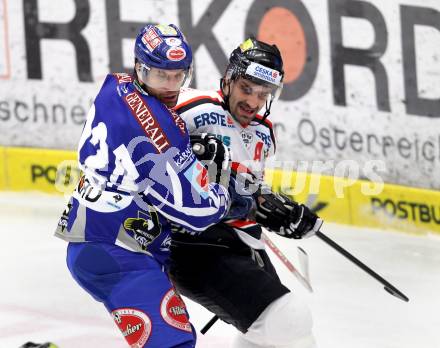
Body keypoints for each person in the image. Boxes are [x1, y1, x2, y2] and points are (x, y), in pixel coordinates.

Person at [54, 24, 247, 348]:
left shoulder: (116, 85)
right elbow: (195, 212)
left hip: (107, 239)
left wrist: (191, 157)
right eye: (160, 75)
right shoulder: (159, 131)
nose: (171, 85)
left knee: (171, 338)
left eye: (178, 75)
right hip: (114, 250)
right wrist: (226, 198)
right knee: (174, 344)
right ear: (140, 67)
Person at [168, 38, 323, 348]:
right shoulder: (188, 107)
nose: (253, 102)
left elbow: (249, 189)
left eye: (264, 94)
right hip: (192, 244)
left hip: (240, 241)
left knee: (271, 335)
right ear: (228, 80)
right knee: (288, 321)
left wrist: (281, 212)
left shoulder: (263, 132)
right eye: (247, 89)